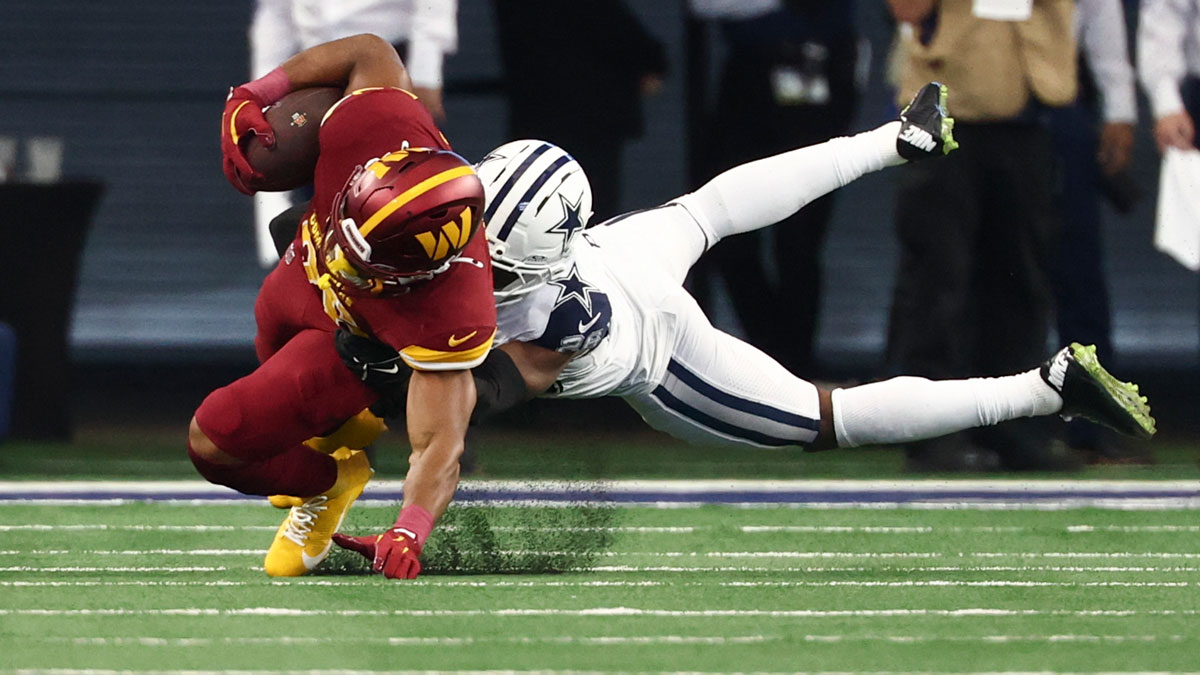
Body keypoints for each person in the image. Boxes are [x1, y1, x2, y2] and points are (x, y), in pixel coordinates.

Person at [329, 86, 1154, 568]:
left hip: (655, 342)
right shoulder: (501, 224)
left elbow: (476, 401)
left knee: (828, 418)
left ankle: (1044, 388)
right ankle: (895, 137)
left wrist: (409, 504)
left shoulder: (553, 316)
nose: (466, 254)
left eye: (490, 256)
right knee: (710, 207)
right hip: (622, 250)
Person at [191, 33, 495, 581]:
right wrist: (256, 93)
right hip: (300, 269)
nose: (346, 259)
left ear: (418, 271)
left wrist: (411, 528)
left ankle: (328, 484)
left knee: (214, 441)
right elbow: (369, 51)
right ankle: (328, 440)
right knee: (269, 324)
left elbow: (440, 445)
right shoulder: (374, 124)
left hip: (351, 340)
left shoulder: (451, 311)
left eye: (367, 259)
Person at [884, 0, 1079, 472]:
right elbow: (906, 9)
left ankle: (1014, 426)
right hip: (946, 113)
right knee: (938, 279)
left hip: (1027, 112)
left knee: (1020, 283)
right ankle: (929, 430)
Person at [687, 0, 862, 377]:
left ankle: (795, 366)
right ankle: (773, 358)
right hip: (749, 86)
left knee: (799, 244)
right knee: (724, 233)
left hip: (818, 81)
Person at [248, 0, 459, 267]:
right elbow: (275, 15)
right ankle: (316, 278)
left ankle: (403, 278)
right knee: (319, 190)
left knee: (393, 187)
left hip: (387, 62)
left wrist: (425, 75)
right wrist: (261, 94)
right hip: (314, 66)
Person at [1051, 0, 1144, 463]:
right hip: (981, 107)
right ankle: (977, 427)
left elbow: (1101, 14)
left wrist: (1120, 107)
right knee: (984, 275)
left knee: (1079, 274)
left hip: (1061, 101)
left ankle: (1092, 426)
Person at [490, 0, 667, 221]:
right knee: (586, 215)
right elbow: (611, 26)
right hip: (586, 118)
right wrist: (653, 60)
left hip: (542, 113)